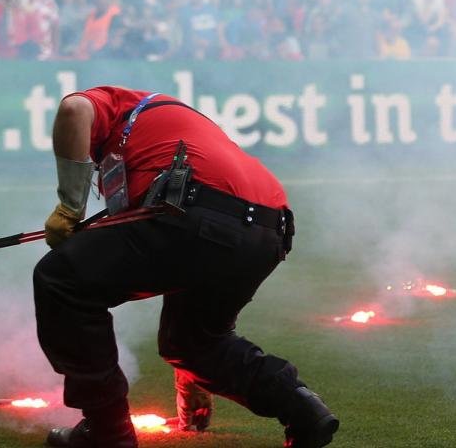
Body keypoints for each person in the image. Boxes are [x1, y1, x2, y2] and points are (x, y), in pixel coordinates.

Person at [36, 86, 339, 448]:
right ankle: (303, 409)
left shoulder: (118, 105)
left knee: (61, 280)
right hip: (267, 231)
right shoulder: (172, 129)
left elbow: (74, 110)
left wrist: (70, 206)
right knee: (193, 343)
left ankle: (107, 432)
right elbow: (176, 261)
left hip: (199, 212)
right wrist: (190, 373)